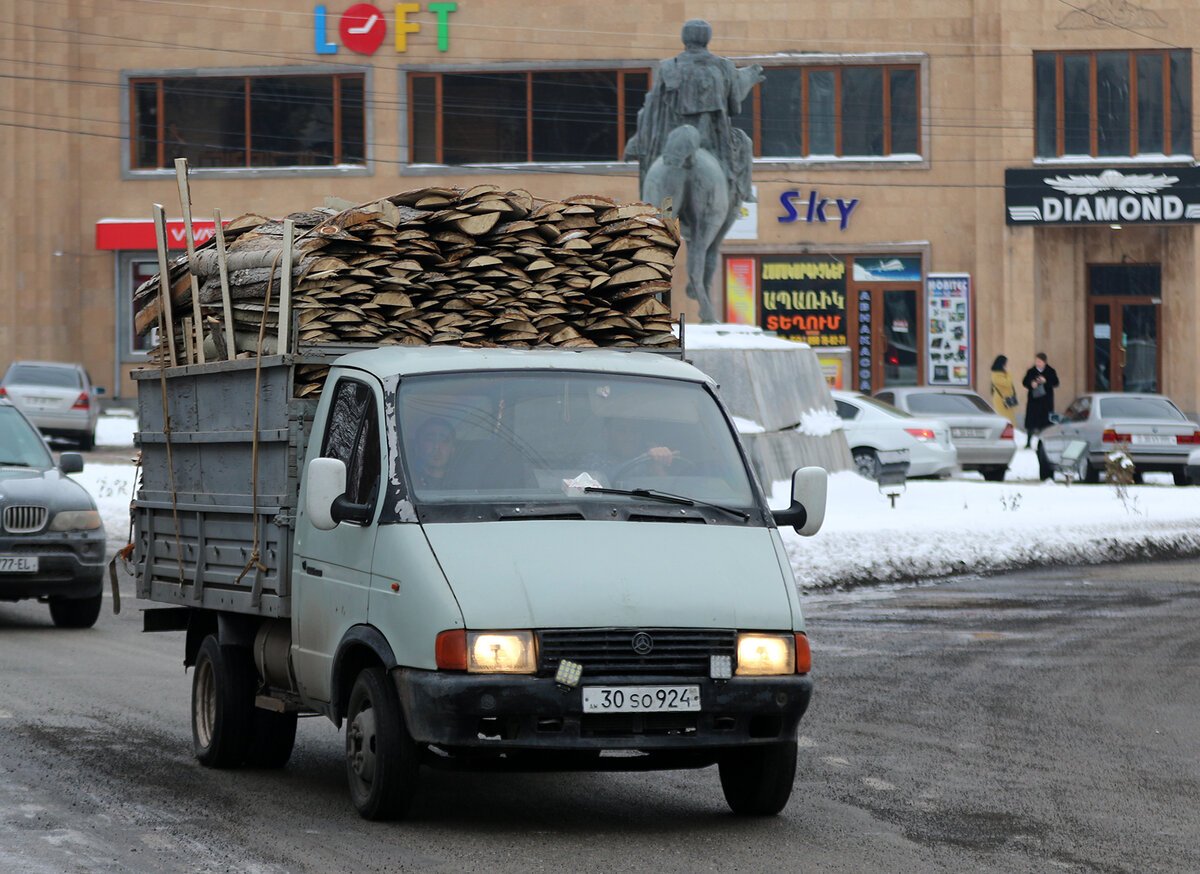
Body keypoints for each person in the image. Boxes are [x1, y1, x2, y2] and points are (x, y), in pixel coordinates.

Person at [625, 19, 762, 205]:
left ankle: (655, 205)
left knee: (654, 166)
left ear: (684, 38)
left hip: (672, 138)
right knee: (745, 142)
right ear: (707, 38)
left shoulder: (667, 67)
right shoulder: (724, 67)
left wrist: (639, 139)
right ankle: (743, 192)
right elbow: (734, 109)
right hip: (712, 138)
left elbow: (651, 108)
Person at [1021, 352, 1059, 448]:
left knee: (1045, 424)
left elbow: (1056, 382)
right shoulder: (1031, 371)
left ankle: (1045, 443)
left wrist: (1046, 381)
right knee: (1031, 423)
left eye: (1039, 361)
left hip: (1046, 402)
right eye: (1036, 361)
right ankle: (1028, 442)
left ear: (1044, 362)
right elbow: (1025, 382)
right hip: (1034, 401)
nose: (1037, 363)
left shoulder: (1050, 371)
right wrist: (1031, 383)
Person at [410, 417, 456, 488]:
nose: (437, 446)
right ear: (417, 447)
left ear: (452, 449)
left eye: (444, 441)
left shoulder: (463, 485)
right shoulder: (407, 483)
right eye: (430, 440)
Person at [989, 355, 1018, 426]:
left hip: (1008, 400)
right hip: (1001, 401)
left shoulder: (1004, 374)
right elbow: (1007, 383)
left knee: (1010, 419)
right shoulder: (995, 375)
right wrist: (1009, 373)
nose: (1008, 365)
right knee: (1004, 419)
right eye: (1007, 363)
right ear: (1002, 364)